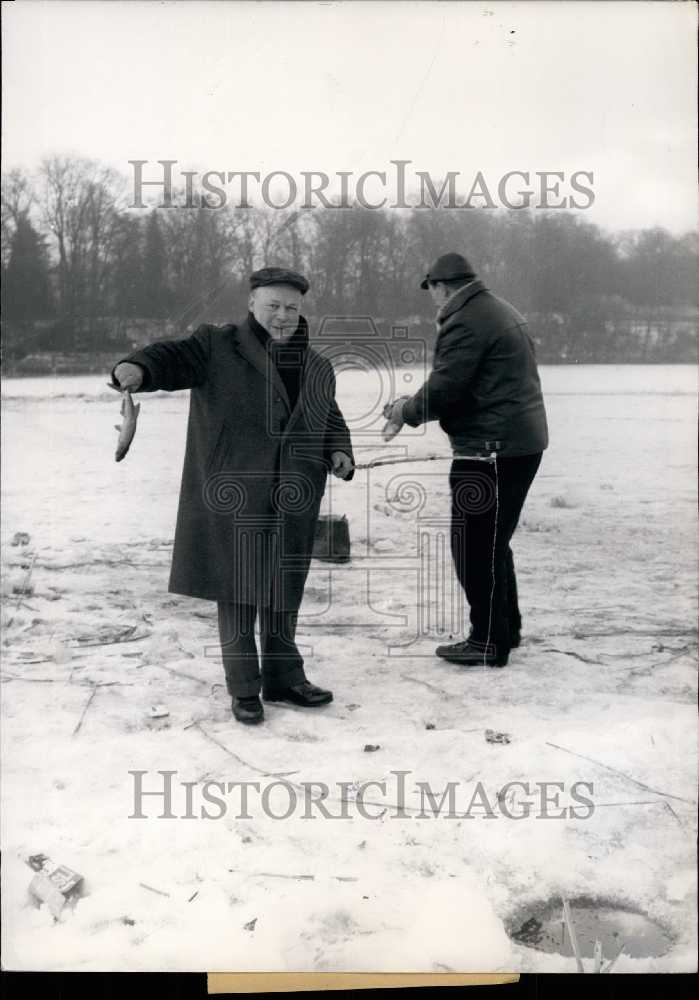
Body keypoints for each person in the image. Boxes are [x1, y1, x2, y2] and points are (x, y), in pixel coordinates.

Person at [111, 266, 354, 724]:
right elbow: (171, 358)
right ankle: (244, 688)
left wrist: (339, 449)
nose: (283, 316)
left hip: (296, 493)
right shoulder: (215, 346)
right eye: (273, 306)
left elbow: (329, 414)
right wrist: (139, 367)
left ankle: (285, 678)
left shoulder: (317, 365)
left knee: (284, 587)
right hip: (235, 491)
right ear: (252, 304)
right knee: (239, 589)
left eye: (292, 307)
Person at [382, 252, 548, 668]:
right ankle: (504, 629)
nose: (433, 301)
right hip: (515, 444)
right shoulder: (496, 309)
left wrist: (404, 410)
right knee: (492, 541)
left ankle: (488, 640)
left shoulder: (467, 319)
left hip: (489, 449)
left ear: (440, 286)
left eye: (432, 292)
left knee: (474, 545)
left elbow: (445, 388)